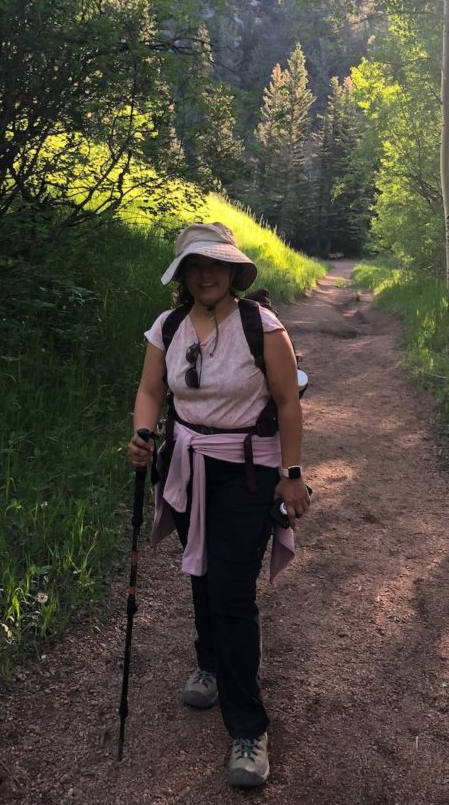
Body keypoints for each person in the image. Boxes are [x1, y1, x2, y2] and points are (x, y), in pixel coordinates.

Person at [126, 221, 310, 788]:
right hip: (186, 465)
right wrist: (142, 433)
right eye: (194, 266)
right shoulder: (170, 325)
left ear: (232, 270)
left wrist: (292, 474)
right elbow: (153, 390)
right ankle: (209, 663)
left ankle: (248, 728)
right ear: (183, 276)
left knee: (231, 594)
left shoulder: (262, 326)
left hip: (248, 474)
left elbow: (286, 401)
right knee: (201, 577)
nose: (205, 274)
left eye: (215, 264)